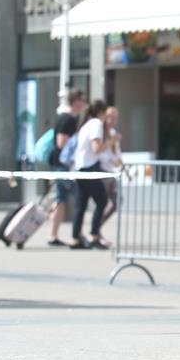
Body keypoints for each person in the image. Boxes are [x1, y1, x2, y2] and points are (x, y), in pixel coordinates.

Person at [70, 99, 116, 250]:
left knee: (81, 204)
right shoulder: (96, 124)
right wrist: (111, 142)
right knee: (102, 201)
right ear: (102, 113)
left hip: (79, 168)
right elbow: (97, 148)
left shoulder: (86, 124)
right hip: (89, 168)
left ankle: (76, 238)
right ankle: (93, 235)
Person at [47, 89, 87, 247]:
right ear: (75, 101)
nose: (84, 103)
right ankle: (78, 235)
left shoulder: (71, 119)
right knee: (79, 197)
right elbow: (61, 143)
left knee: (60, 200)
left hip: (61, 166)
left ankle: (53, 235)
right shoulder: (67, 119)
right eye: (82, 100)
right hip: (63, 167)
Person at [98, 106, 123, 228]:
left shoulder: (113, 133)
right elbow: (99, 152)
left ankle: (97, 227)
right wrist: (112, 159)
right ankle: (95, 230)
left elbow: (117, 153)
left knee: (116, 202)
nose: (112, 121)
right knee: (102, 202)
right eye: (110, 118)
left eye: (115, 118)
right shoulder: (100, 132)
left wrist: (118, 161)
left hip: (111, 172)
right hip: (101, 171)